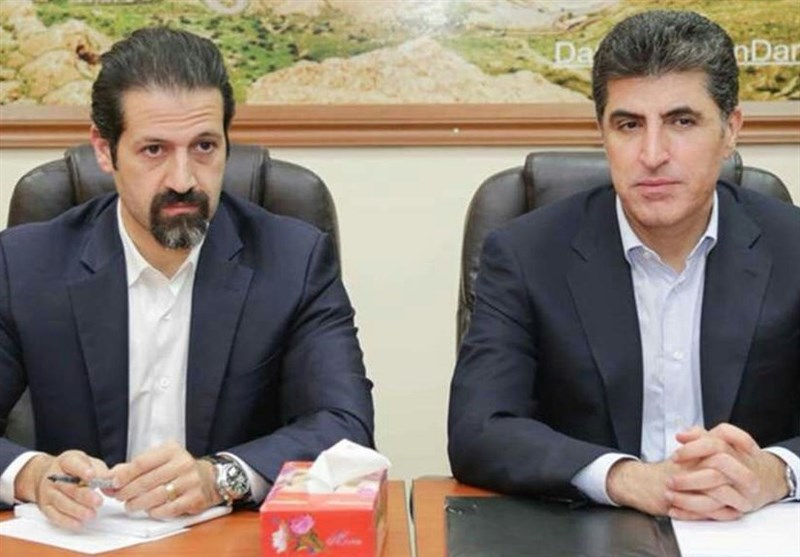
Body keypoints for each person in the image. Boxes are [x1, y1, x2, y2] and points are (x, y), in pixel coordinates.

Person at [0, 27, 374, 529]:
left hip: (226, 537)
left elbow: (345, 426)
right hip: (82, 539)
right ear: (105, 150)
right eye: (154, 150)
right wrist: (31, 475)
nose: (183, 179)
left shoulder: (294, 261)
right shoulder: (25, 264)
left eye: (204, 146)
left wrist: (220, 477)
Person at [448, 10, 799, 521]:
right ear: (602, 133)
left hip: (753, 530)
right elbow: (478, 429)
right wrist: (625, 478)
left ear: (730, 131)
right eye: (629, 125)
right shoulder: (526, 254)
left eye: (682, 122)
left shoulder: (792, 247)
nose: (652, 154)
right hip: (589, 531)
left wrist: (776, 472)